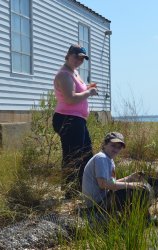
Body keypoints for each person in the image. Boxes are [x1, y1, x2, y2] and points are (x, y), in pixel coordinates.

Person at [53, 44, 98, 193]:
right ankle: (70, 191)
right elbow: (70, 98)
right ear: (68, 55)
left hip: (77, 120)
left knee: (85, 154)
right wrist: (89, 92)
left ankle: (81, 187)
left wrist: (87, 88)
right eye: (77, 57)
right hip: (68, 119)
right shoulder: (64, 75)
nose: (79, 60)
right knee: (73, 155)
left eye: (82, 59)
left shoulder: (74, 72)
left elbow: (78, 91)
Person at [82, 132, 147, 211]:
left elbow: (112, 183)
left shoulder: (109, 159)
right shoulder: (101, 158)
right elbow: (103, 184)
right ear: (105, 144)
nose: (116, 149)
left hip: (103, 198)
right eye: (113, 145)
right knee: (133, 192)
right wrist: (130, 185)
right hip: (96, 204)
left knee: (136, 189)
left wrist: (130, 178)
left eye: (119, 147)